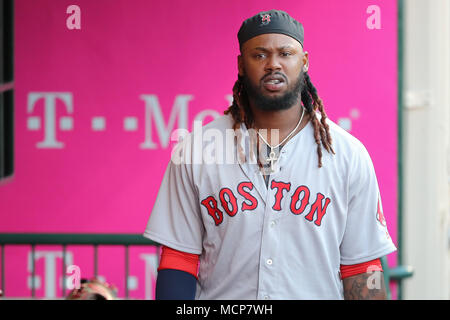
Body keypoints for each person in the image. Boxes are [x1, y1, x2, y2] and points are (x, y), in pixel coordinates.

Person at [143, 9, 396, 300]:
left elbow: (364, 267)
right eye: (259, 55)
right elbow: (179, 259)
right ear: (241, 64)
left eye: (285, 53)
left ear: (304, 62)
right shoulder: (197, 149)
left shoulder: (347, 154)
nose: (273, 64)